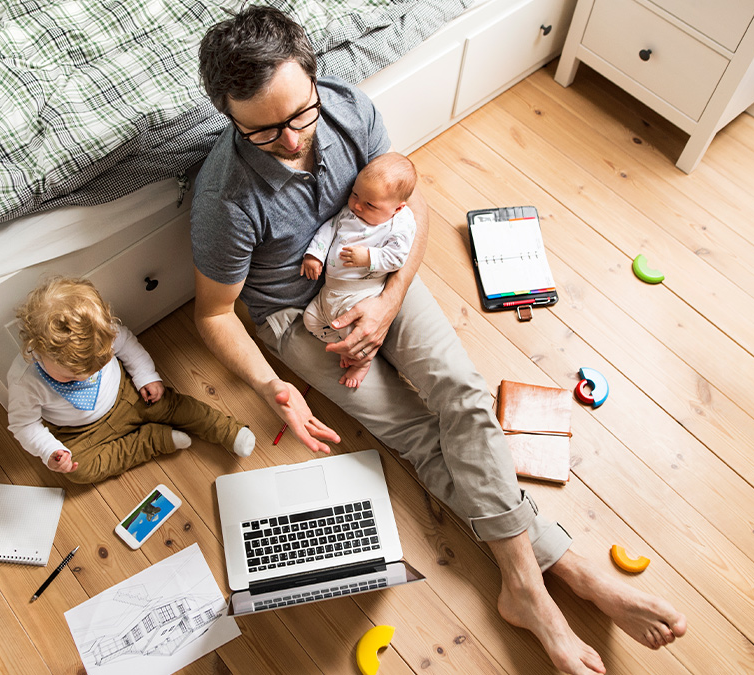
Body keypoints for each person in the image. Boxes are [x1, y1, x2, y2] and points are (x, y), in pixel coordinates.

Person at [189, 7, 686, 674]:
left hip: (374, 270)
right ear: (228, 115)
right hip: (300, 314)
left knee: (464, 394)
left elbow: (412, 203)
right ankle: (558, 575)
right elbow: (215, 313)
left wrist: (389, 306)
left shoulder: (346, 108)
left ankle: (532, 586)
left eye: (299, 114)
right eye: (263, 129)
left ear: (313, 79)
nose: (290, 140)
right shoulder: (224, 200)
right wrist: (274, 385)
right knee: (419, 434)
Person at [7, 277, 255, 483]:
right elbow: (24, 425)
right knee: (79, 471)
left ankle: (228, 431)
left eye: (97, 367)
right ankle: (152, 440)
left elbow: (129, 348)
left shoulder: (102, 330)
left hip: (129, 394)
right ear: (37, 349)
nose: (88, 377)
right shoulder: (25, 380)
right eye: (71, 377)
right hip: (79, 432)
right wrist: (51, 451)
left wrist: (146, 376)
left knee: (174, 405)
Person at [300, 152, 417, 388]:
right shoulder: (350, 211)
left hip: (359, 294)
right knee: (310, 320)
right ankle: (346, 344)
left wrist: (369, 257)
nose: (356, 205)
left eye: (370, 204)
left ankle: (362, 361)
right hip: (330, 291)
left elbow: (397, 257)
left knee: (356, 332)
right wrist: (315, 254)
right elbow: (329, 228)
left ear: (397, 208)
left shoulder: (400, 224)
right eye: (355, 194)